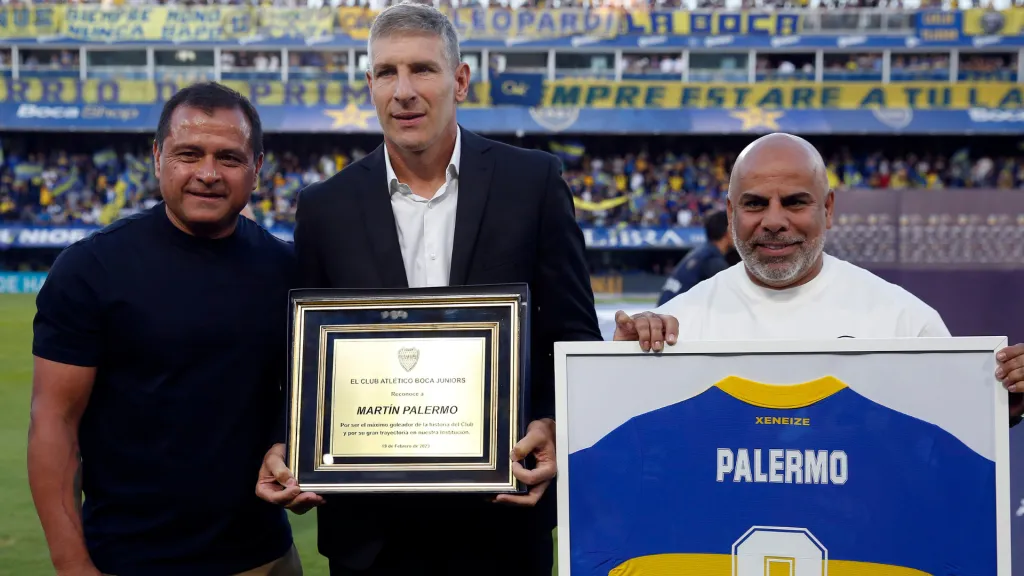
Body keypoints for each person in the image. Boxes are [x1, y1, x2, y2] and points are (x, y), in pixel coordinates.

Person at [253, 3, 603, 575]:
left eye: (423, 69)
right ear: (369, 85)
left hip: (504, 520)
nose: (404, 91)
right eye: (386, 72)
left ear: (460, 80)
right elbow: (306, 355)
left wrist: (552, 424)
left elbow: (573, 335)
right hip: (372, 537)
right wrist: (286, 442)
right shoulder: (324, 207)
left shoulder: (533, 182)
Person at [28, 82, 303, 576]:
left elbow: (308, 403)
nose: (207, 174)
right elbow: (54, 423)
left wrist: (295, 456)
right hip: (128, 561)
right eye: (188, 154)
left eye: (229, 158)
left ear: (258, 170)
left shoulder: (288, 272)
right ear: (157, 158)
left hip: (263, 558)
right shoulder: (90, 269)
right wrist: (72, 565)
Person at [613, 131, 1024, 427]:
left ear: (828, 209)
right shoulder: (676, 327)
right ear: (731, 212)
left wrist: (998, 406)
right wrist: (623, 370)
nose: (773, 221)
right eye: (755, 204)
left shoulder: (905, 322)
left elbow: (953, 436)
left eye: (794, 203)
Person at [656, 209, 732, 306]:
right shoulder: (713, 261)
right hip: (674, 317)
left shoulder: (701, 253)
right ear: (728, 231)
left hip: (664, 313)